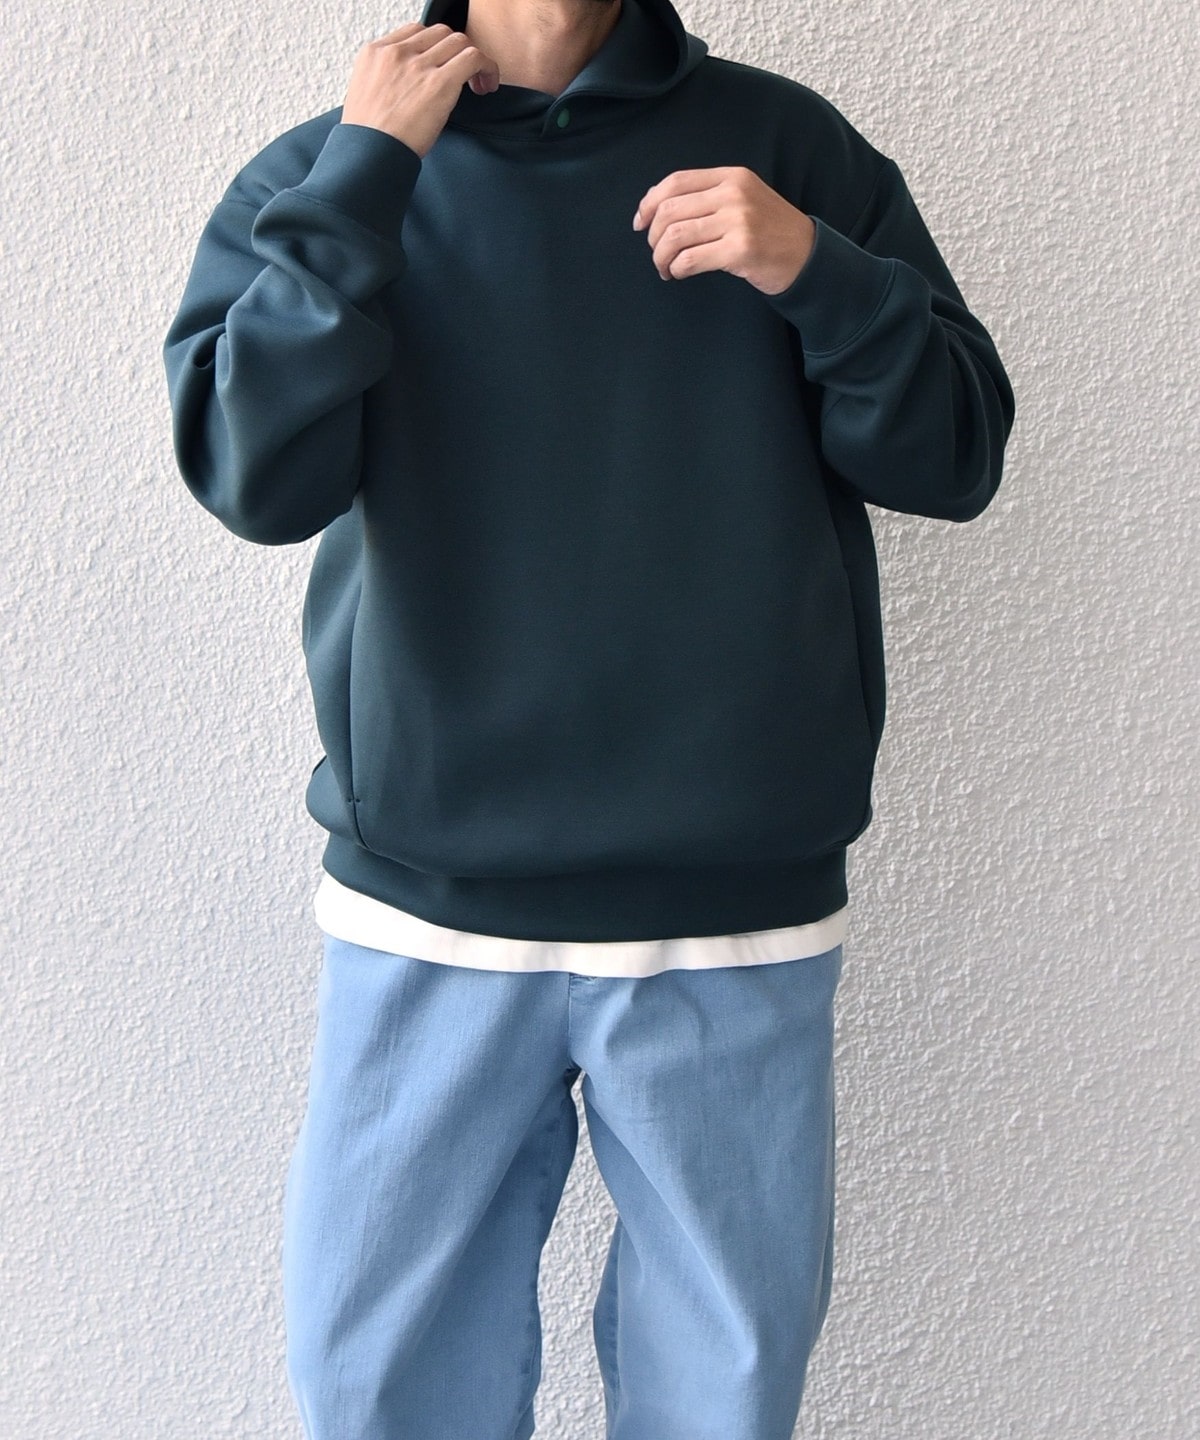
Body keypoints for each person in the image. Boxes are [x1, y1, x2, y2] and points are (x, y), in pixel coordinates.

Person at [161, 0, 1016, 1435]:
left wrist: (819, 272)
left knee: (723, 1398)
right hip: (430, 905)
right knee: (376, 1389)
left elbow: (954, 457)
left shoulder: (788, 149)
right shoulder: (331, 166)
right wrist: (364, 182)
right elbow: (255, 475)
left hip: (728, 908)